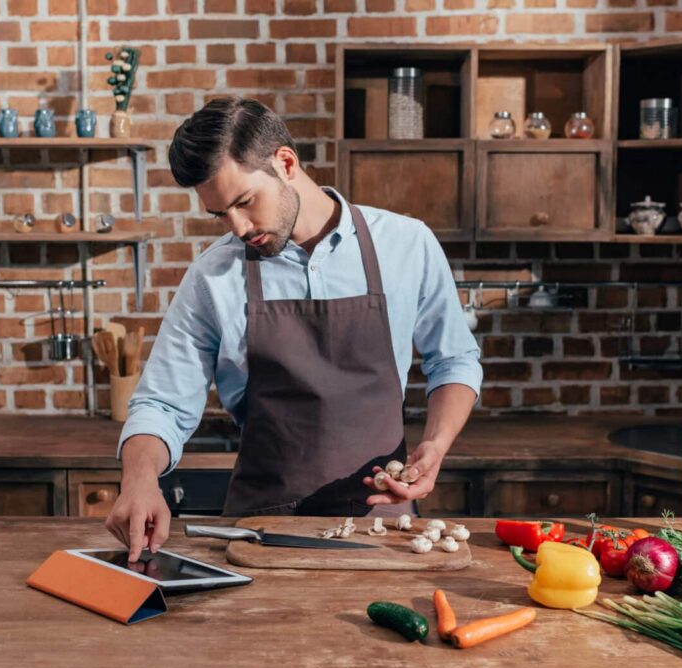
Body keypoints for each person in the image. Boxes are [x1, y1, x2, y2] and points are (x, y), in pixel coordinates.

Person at [105, 97, 482, 561]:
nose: (238, 227)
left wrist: (435, 446)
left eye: (244, 202)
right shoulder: (213, 277)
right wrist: (139, 480)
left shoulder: (406, 245)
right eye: (221, 215)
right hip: (260, 534)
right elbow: (162, 403)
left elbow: (454, 359)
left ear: (285, 162)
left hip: (380, 528)